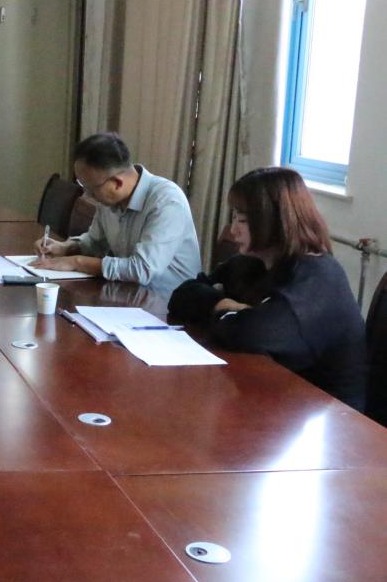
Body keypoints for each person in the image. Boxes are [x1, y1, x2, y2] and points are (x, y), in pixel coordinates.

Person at [169, 167, 367, 410]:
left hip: (331, 416)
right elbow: (182, 295)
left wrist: (234, 316)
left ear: (274, 221)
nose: (233, 229)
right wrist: (224, 304)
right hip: (277, 398)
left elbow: (250, 335)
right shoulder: (253, 262)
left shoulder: (318, 276)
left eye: (242, 221)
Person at [33, 133, 201, 297]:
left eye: (91, 189)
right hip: (128, 295)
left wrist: (76, 262)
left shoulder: (166, 201)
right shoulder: (109, 200)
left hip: (169, 303)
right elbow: (94, 242)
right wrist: (66, 248)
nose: (87, 195)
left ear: (117, 183)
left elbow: (142, 269)